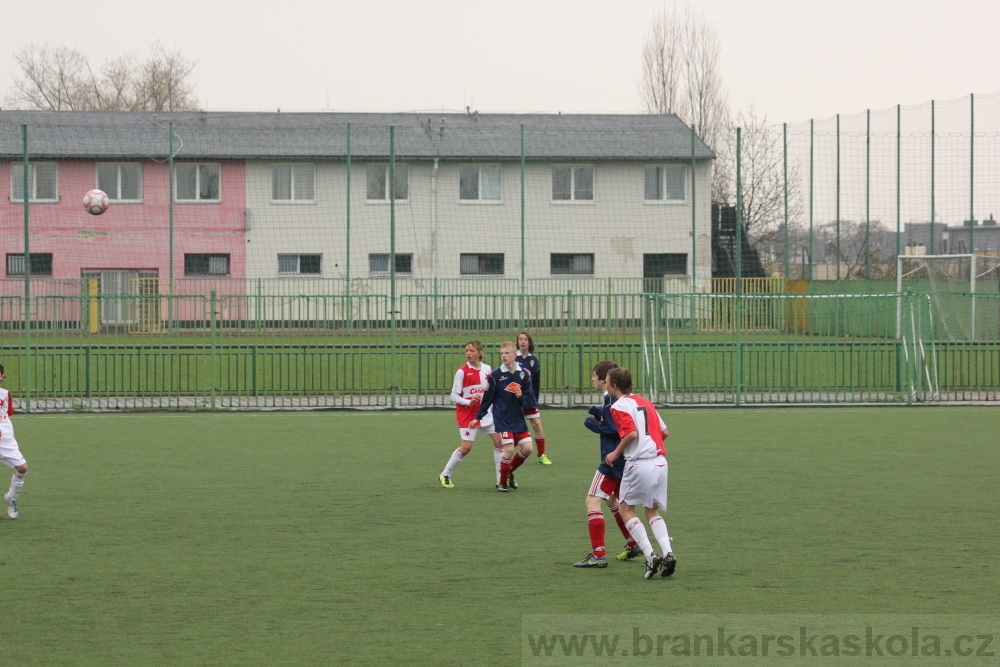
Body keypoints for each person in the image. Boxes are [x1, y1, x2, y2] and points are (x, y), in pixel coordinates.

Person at [604, 367, 676, 579]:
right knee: (651, 511)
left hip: (639, 464)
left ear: (615, 386)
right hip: (660, 462)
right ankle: (669, 553)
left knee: (625, 509)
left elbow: (632, 433)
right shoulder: (646, 402)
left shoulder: (618, 406)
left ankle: (650, 555)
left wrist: (615, 453)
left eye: (607, 382)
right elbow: (664, 432)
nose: (606, 385)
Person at [574, 361, 643, 568]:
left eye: (595, 376)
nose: (592, 379)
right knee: (615, 502)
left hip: (612, 460)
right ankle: (633, 543)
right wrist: (600, 413)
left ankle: (598, 555)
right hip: (624, 460)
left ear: (605, 380)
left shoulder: (612, 400)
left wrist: (595, 423)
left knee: (592, 501)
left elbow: (613, 428)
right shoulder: (617, 399)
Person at [468, 341, 536, 492]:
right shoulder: (496, 375)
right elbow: (487, 399)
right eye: (502, 353)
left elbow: (528, 398)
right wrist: (478, 417)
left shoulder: (523, 374)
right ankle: (502, 482)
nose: (503, 356)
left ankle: (508, 472)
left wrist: (520, 396)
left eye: (506, 353)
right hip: (502, 418)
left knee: (528, 449)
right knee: (509, 450)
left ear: (514, 355)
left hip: (518, 419)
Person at [439, 341, 503, 489]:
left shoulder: (487, 369)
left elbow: (491, 391)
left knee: (499, 443)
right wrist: (469, 402)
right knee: (466, 447)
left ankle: (501, 479)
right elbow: (453, 396)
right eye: (466, 350)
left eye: (472, 350)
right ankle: (445, 474)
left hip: (486, 413)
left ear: (479, 353)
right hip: (467, 415)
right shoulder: (462, 372)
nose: (468, 353)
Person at [516, 331, 550, 465]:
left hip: (529, 399)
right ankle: (503, 451)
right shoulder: (514, 358)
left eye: (525, 339)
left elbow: (536, 383)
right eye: (520, 339)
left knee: (536, 424)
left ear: (529, 342)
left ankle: (541, 455)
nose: (523, 342)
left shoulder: (533, 360)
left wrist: (535, 400)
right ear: (517, 342)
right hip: (515, 399)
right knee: (514, 427)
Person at [0, 364, 28, 520]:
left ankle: (11, 498)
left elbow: (6, 416)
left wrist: (11, 436)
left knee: (22, 467)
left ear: (2, 377)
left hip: (4, 438)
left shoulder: (4, 395)